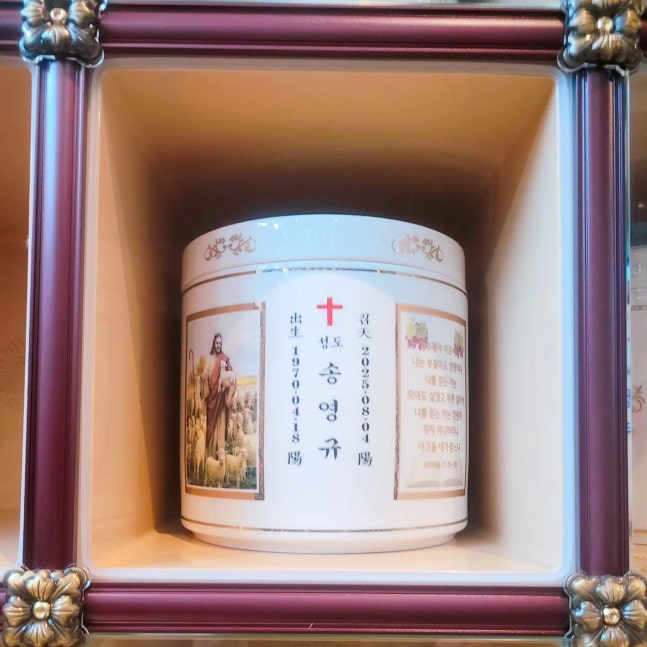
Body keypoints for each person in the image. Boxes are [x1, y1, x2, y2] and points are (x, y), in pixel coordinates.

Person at [205, 333, 234, 456]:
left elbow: (231, 377)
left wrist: (225, 385)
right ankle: (211, 454)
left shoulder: (224, 359)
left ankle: (220, 454)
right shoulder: (210, 360)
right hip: (212, 400)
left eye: (220, 343)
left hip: (221, 400)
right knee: (212, 427)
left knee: (221, 425)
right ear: (214, 344)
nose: (218, 345)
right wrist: (201, 378)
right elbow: (206, 376)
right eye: (217, 343)